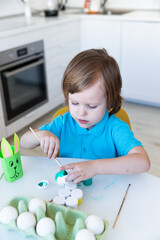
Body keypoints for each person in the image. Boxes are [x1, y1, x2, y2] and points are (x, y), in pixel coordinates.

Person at [20, 49, 150, 184]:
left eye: (92, 106)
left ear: (109, 102)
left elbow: (143, 162)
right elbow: (24, 143)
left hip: (106, 189)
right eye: (74, 103)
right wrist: (41, 135)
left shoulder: (115, 129)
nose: (81, 112)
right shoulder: (63, 123)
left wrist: (95, 167)